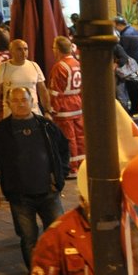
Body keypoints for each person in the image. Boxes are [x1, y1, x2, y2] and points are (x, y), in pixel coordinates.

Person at [0, 86, 69, 268]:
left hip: (49, 192)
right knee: (29, 238)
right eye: (15, 100)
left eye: (24, 99)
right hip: (20, 196)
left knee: (57, 233)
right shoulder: (1, 131)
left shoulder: (46, 126)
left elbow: (63, 149)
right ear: (8, 104)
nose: (21, 104)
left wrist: (61, 175)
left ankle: (59, 273)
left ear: (32, 101)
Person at [46, 36, 84, 173]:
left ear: (58, 49)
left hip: (64, 107)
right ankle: (81, 163)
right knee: (80, 136)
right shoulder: (77, 63)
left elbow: (55, 92)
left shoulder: (59, 67)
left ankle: (71, 166)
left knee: (69, 138)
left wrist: (51, 109)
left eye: (54, 48)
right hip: (77, 104)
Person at [0, 37, 50, 122]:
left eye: (25, 49)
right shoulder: (1, 68)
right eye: (19, 49)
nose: (23, 52)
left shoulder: (34, 66)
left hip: (34, 112)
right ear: (11, 51)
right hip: (11, 115)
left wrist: (47, 111)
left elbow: (43, 90)